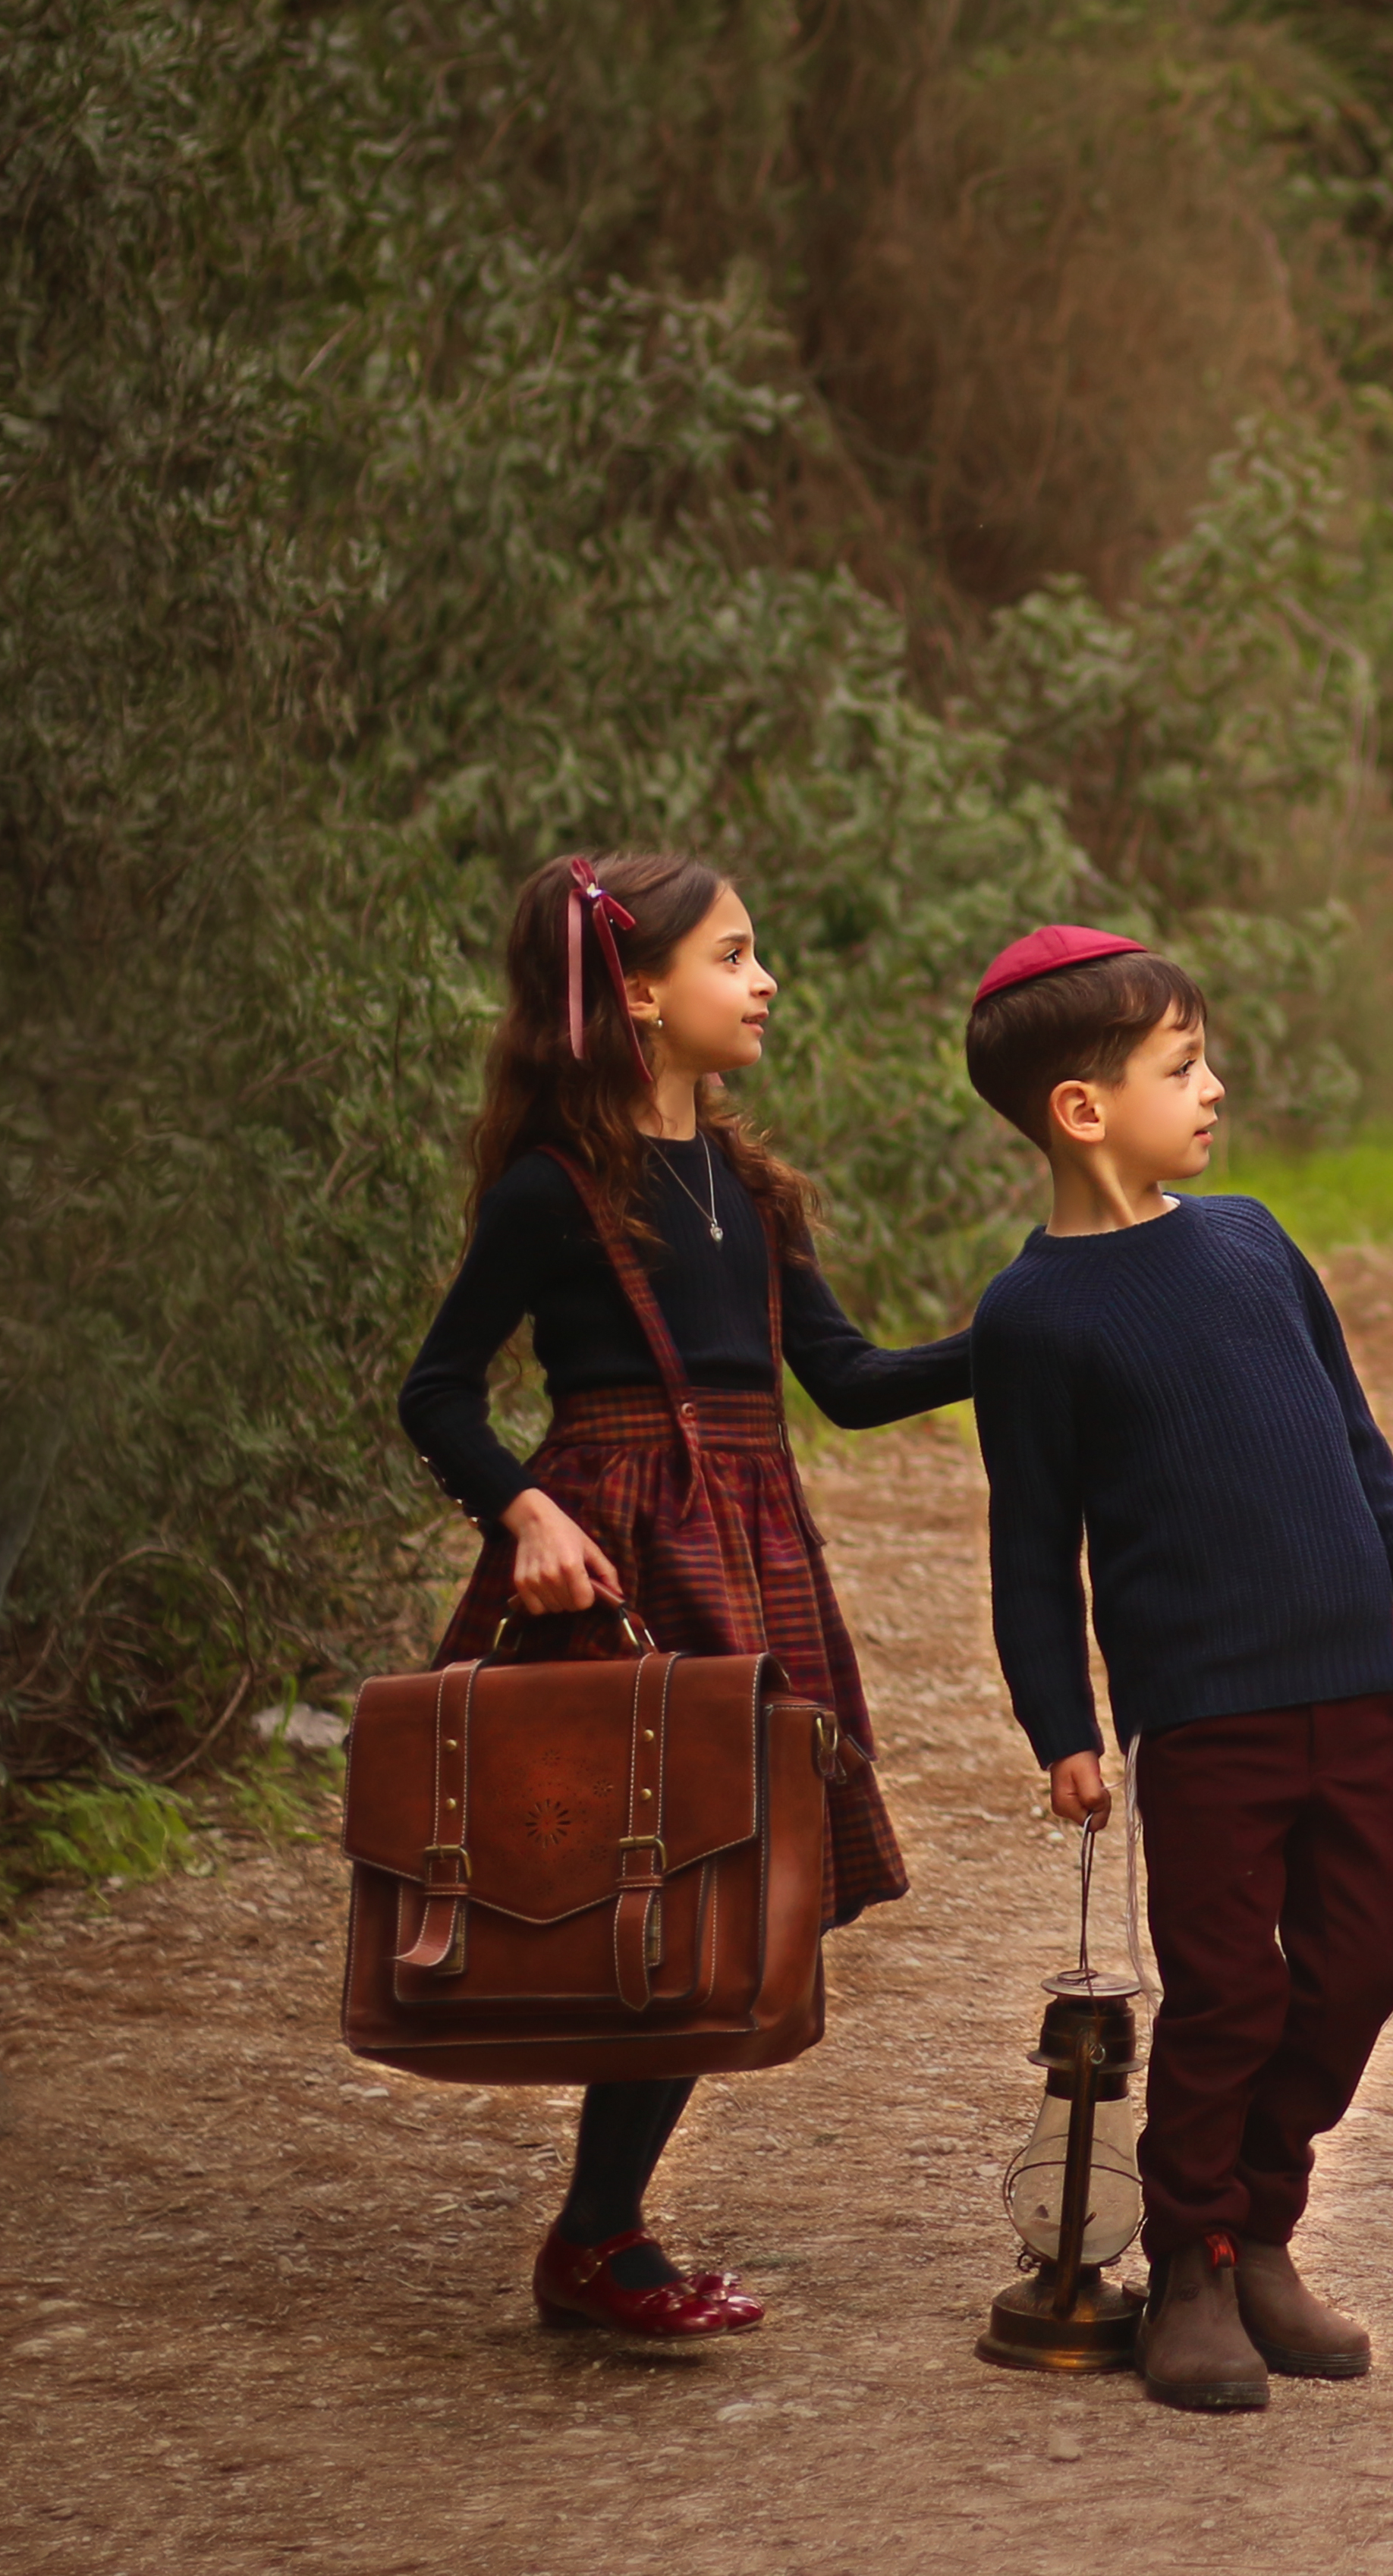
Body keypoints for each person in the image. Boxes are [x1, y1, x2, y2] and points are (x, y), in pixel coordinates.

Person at [397, 852, 972, 2340]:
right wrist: (524, 1510)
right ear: (639, 995)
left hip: (754, 1546)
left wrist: (1025, 1330)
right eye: (735, 955)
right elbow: (439, 1391)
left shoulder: (751, 1187)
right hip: (618, 1557)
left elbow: (840, 1383)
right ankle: (600, 2239)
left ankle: (599, 2232)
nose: (765, 979)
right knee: (652, 1878)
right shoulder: (553, 1193)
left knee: (738, 1886)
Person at [963, 927, 1393, 2414]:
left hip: (1352, 1690)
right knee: (1225, 1999)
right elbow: (1031, 1555)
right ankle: (1190, 2267)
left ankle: (1262, 2227)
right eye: (1181, 1066)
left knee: (1359, 1970)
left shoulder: (1254, 1239)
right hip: (1204, 1721)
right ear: (1081, 1109)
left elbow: (1356, 1440)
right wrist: (1061, 1723)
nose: (1215, 1087)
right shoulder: (1033, 1319)